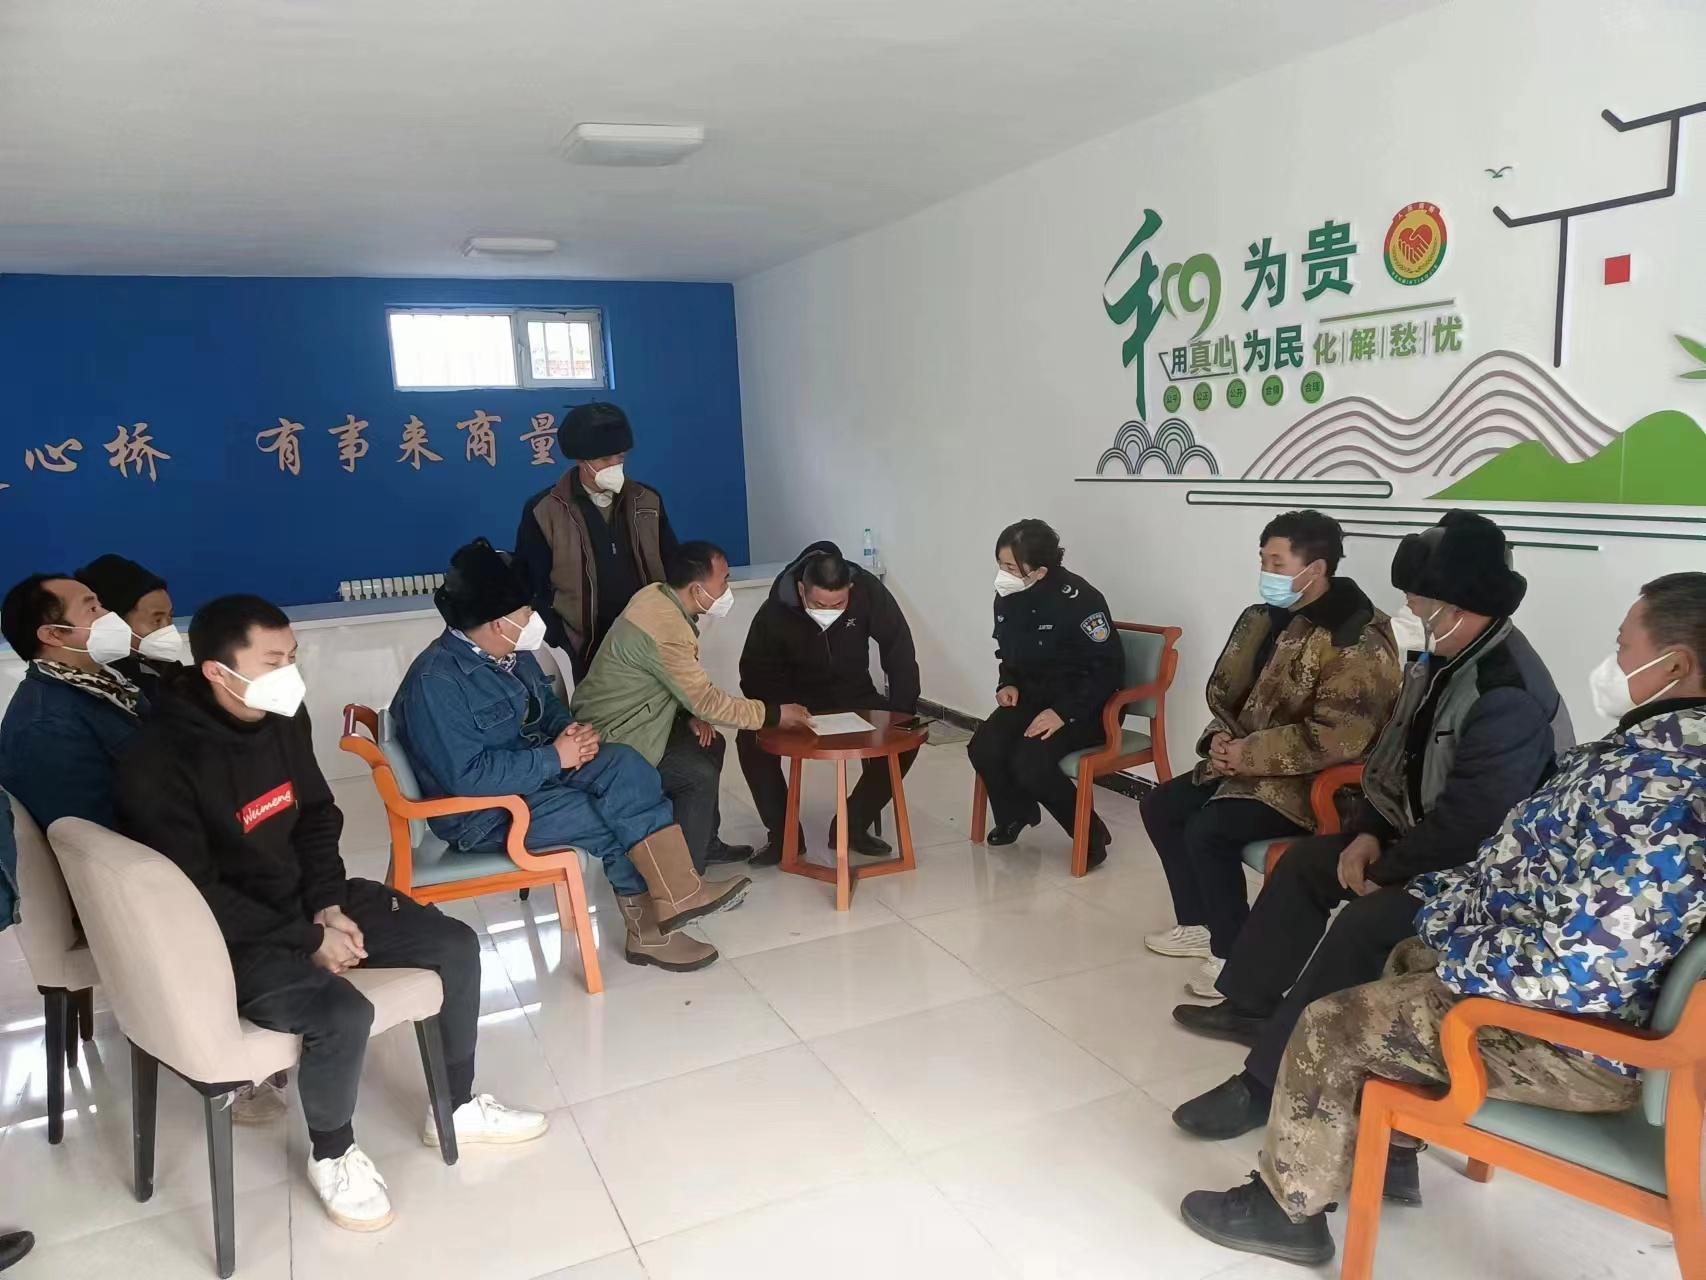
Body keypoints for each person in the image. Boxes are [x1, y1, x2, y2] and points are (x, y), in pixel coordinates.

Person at [1179, 572, 1706, 1267]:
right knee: (1384, 940)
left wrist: (1443, 927)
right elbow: (1507, 856)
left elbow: (1572, 965)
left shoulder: (1662, 792)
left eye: (1623, 646)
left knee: (1332, 1021)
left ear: (1673, 666)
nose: (1612, 661)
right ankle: (1390, 1146)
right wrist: (1428, 890)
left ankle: (1287, 1211)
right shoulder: (1641, 756)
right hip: (1528, 954)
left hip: (1576, 1036)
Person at [114, 594, 548, 1234]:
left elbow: (317, 815)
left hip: (306, 899)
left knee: (454, 944)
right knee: (340, 1012)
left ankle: (455, 1106)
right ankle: (333, 1153)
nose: (290, 672)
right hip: (227, 933)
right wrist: (306, 938)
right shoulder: (158, 760)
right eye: (273, 661)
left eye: (293, 656)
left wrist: (327, 903)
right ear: (215, 671)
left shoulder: (282, 714)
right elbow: (193, 892)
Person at [1170, 512, 1569, 1203]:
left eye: (1418, 601)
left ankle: (1263, 1083)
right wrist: (1367, 833)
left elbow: (1476, 825)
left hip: (1479, 872)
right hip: (1415, 838)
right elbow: (1393, 762)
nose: (1407, 612)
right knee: (1306, 866)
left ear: (1456, 605)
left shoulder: (1506, 693)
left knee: (1366, 923)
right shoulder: (1440, 659)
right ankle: (1250, 1002)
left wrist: (1385, 868)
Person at [392, 539, 748, 973]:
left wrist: (568, 731)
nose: (533, 621)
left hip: (531, 779)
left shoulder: (509, 653)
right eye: (526, 613)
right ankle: (649, 936)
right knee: (612, 817)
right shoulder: (437, 684)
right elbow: (468, 778)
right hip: (486, 814)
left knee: (626, 764)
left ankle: (680, 892)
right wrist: (555, 759)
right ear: (497, 623)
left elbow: (545, 706)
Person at [1140, 510, 1400, 996]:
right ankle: (1198, 925)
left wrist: (1248, 754)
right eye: (1263, 560)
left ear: (1315, 568)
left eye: (1277, 563)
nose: (1266, 572)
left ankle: (1234, 955)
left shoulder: (1356, 636)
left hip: (1312, 782)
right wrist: (1219, 740)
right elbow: (1231, 699)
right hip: (1248, 766)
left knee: (1209, 830)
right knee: (1160, 806)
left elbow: (1340, 737)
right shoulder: (1261, 619)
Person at [571, 541, 811, 870]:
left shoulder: (657, 596)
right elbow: (709, 701)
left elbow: (664, 680)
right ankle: (685, 875)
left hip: (635, 720)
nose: (727, 589)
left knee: (710, 743)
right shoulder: (665, 628)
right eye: (723, 581)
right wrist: (775, 714)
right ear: (697, 589)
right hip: (616, 739)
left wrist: (687, 714)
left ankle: (705, 843)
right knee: (696, 774)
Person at [736, 540, 921, 866]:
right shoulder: (776, 609)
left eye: (838, 604)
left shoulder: (868, 592)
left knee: (908, 738)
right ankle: (784, 835)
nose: (829, 611)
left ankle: (853, 823)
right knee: (750, 740)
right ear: (801, 589)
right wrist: (777, 712)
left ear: (850, 589)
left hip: (854, 692)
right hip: (795, 697)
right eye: (819, 604)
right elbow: (753, 671)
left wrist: (902, 711)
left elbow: (899, 646)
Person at [966, 519, 1125, 870]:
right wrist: (1006, 683)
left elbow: (1108, 671)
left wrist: (1063, 713)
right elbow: (1008, 654)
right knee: (984, 746)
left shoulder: (1080, 600)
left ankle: (1091, 835)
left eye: (1011, 568)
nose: (1002, 575)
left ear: (1039, 571)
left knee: (1031, 761)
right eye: (1000, 564)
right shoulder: (1007, 598)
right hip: (1033, 697)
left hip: (1086, 705)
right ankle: (1017, 813)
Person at [514, 401, 679, 679]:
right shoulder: (545, 509)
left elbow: (673, 564)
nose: (615, 466)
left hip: (651, 639)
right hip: (586, 647)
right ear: (581, 460)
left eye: (620, 458)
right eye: (604, 460)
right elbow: (530, 583)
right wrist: (560, 636)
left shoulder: (647, 500)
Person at [0, 573, 145, 829]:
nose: (109, 615)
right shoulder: (46, 726)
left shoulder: (111, 684)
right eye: (92, 609)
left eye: (101, 605)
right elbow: (89, 836)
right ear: (54, 634)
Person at [75, 553, 184, 700]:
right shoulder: (99, 689)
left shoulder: (161, 668)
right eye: (157, 620)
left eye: (170, 617)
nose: (167, 628)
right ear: (113, 622)